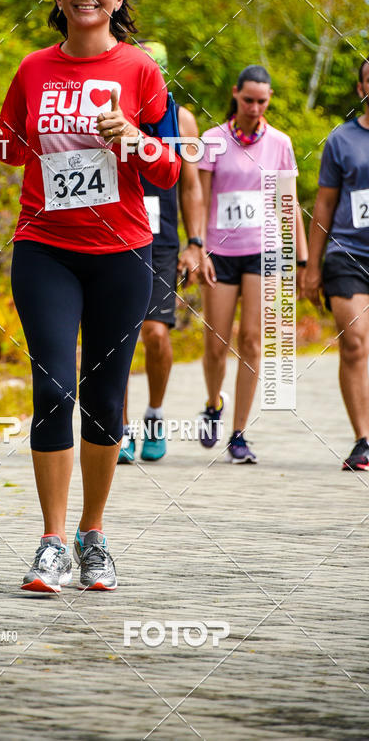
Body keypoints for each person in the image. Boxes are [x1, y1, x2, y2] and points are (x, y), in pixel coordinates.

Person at [0, 0, 181, 592]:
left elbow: (170, 166)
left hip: (122, 252)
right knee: (53, 387)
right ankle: (51, 541)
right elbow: (17, 150)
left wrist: (135, 138)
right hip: (46, 248)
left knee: (101, 399)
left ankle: (94, 535)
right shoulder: (34, 68)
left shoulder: (142, 70)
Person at [198, 65, 308, 463]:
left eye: (262, 101)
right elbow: (200, 199)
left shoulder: (280, 142)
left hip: (264, 251)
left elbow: (288, 202)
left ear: (269, 99)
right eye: (248, 100)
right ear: (235, 95)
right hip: (220, 253)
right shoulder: (213, 140)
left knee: (252, 341)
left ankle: (239, 433)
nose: (255, 108)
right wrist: (198, 248)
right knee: (216, 344)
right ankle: (213, 404)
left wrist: (301, 258)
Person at [119, 41, 214, 463]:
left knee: (155, 332)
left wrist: (196, 243)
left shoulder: (182, 119)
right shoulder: (109, 106)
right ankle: (115, 427)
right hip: (115, 231)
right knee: (115, 335)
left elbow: (191, 184)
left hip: (160, 237)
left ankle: (155, 415)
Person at [306, 58, 369, 471]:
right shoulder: (341, 140)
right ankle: (363, 440)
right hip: (347, 253)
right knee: (355, 341)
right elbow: (325, 202)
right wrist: (312, 267)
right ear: (362, 88)